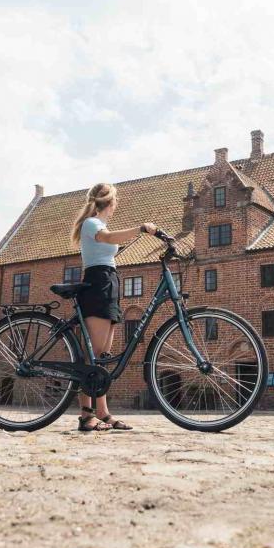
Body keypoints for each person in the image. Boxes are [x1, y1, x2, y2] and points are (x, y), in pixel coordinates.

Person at [70, 183, 156, 432]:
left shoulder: (100, 225)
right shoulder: (92, 223)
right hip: (97, 284)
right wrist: (140, 229)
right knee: (93, 356)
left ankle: (102, 412)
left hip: (108, 282)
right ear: (111, 201)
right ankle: (86, 417)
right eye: (117, 200)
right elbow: (107, 239)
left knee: (102, 358)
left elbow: (108, 243)